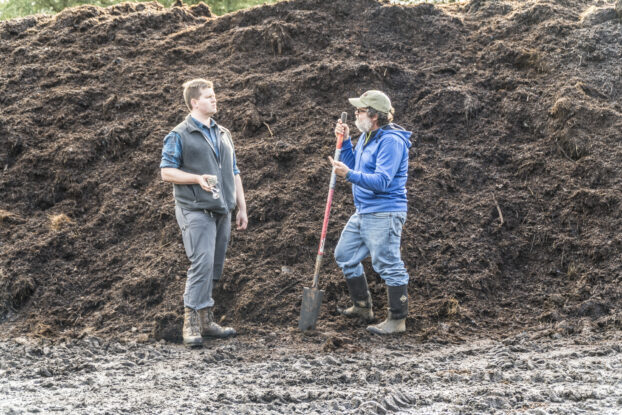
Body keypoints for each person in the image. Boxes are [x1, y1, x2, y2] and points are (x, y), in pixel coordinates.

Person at [160, 79, 248, 347]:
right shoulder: (179, 134)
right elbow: (166, 172)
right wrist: (196, 179)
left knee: (215, 263)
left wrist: (241, 206)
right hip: (194, 208)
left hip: (222, 208)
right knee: (202, 262)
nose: (215, 99)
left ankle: (207, 320)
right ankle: (191, 323)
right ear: (194, 102)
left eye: (214, 95)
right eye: (209, 96)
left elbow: (234, 171)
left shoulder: (223, 133)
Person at [330, 90, 412, 335]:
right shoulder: (368, 137)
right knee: (345, 255)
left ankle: (397, 320)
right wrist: (345, 142)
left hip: (385, 212)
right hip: (364, 211)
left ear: (375, 115)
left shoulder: (391, 141)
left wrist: (349, 175)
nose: (356, 114)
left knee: (388, 264)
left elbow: (382, 181)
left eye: (361, 110)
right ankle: (363, 307)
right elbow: (354, 166)